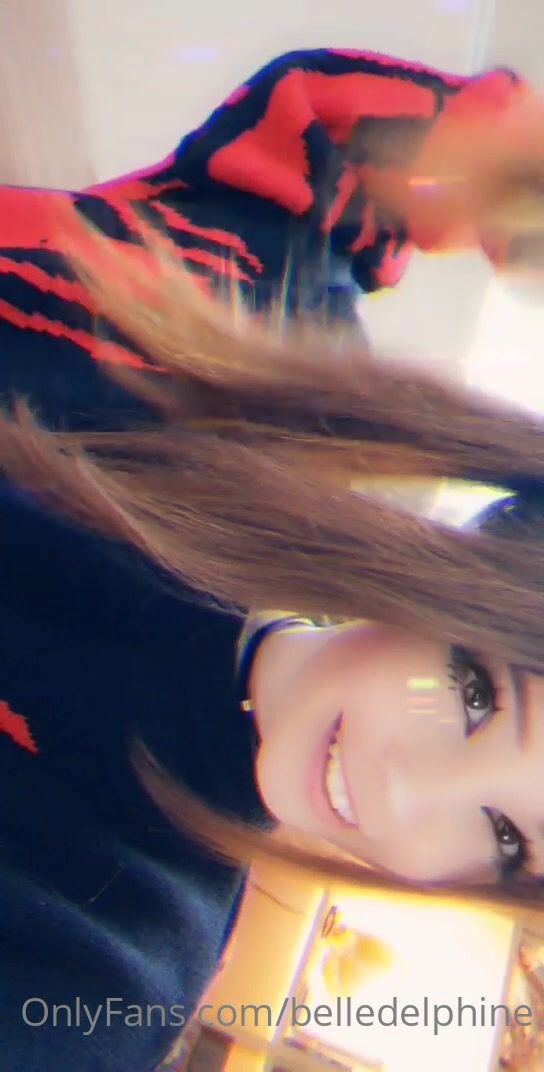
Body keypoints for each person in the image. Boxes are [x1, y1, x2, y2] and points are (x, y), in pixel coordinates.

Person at [2, 46, 544, 1072]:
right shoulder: (245, 327)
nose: (401, 800)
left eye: (506, 840)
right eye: (474, 696)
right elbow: (337, 141)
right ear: (456, 570)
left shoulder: (100, 964)